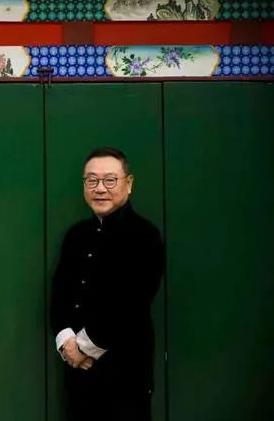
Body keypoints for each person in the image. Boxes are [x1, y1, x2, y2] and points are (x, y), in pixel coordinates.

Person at [50, 147, 165, 421]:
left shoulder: (145, 236)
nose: (100, 188)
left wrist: (82, 348)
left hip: (126, 378)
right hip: (78, 377)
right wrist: (65, 341)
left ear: (129, 183)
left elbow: (131, 304)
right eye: (92, 180)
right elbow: (60, 293)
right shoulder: (76, 235)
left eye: (110, 180)